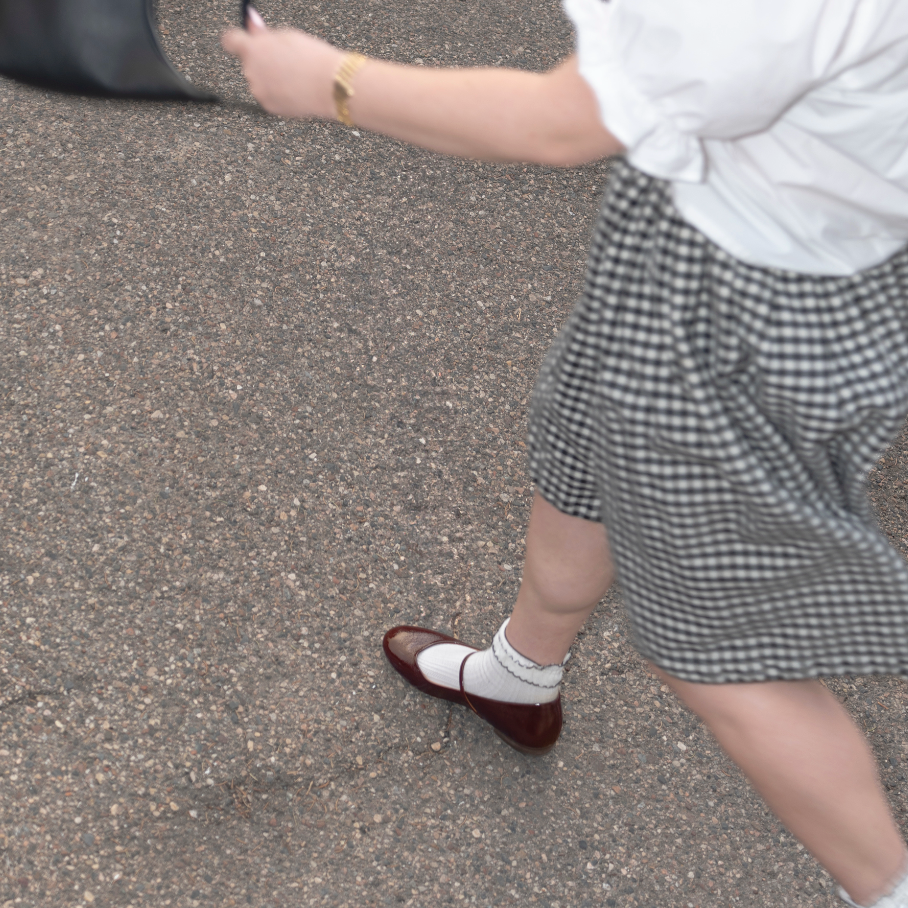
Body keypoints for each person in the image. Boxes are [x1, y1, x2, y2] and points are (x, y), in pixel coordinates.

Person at [223, 2, 908, 904]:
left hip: (759, 297)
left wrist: (334, 84)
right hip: (702, 227)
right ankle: (520, 675)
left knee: (719, 650)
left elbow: (563, 121)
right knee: (581, 450)